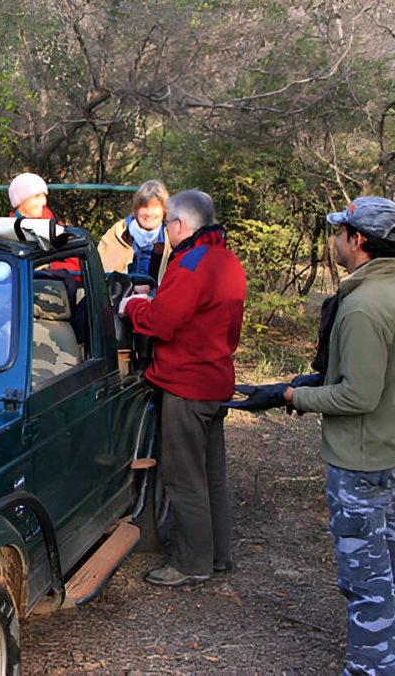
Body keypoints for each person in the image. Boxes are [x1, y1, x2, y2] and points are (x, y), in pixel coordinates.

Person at [228, 196, 395, 675]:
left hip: (363, 464)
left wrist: (293, 400)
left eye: (340, 232)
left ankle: (373, 668)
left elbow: (358, 396)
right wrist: (292, 385)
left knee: (366, 577)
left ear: (357, 241)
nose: (335, 239)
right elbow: (366, 376)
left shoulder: (362, 307)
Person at [120, 189, 246, 586]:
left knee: (183, 476)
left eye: (169, 224)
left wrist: (133, 306)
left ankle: (192, 563)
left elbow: (161, 321)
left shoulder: (191, 264)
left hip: (186, 385)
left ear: (179, 225)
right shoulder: (227, 259)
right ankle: (217, 555)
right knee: (212, 476)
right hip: (214, 379)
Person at [98, 179, 172, 283]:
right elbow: (103, 271)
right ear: (136, 209)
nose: (149, 213)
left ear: (164, 210)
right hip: (122, 295)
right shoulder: (119, 232)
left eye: (155, 207)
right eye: (144, 207)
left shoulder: (171, 236)